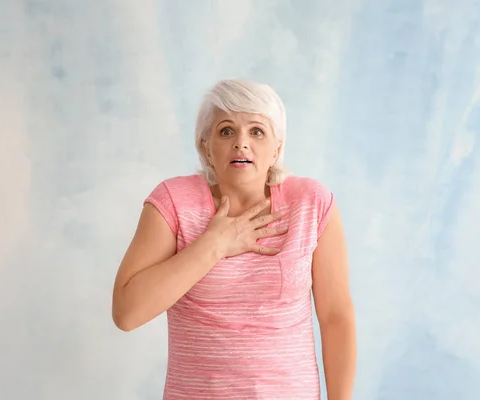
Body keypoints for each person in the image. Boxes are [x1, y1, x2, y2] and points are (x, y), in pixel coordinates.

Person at [112, 79, 357, 399]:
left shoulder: (311, 203)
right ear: (206, 148)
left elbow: (336, 317)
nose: (242, 142)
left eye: (257, 131)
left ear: (277, 149)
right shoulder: (173, 202)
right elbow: (127, 313)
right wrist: (214, 245)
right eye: (226, 131)